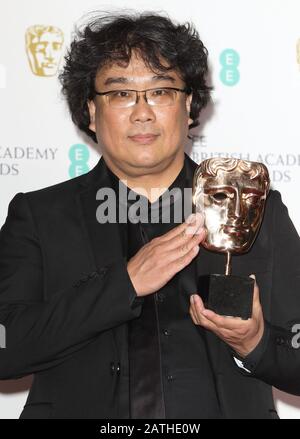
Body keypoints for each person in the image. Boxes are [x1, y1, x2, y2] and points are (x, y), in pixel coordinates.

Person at [0, 11, 300, 420]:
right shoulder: (39, 216)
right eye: (121, 94)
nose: (142, 112)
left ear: (189, 104)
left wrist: (257, 343)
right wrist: (123, 283)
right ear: (90, 110)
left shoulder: (253, 208)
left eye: (161, 91)